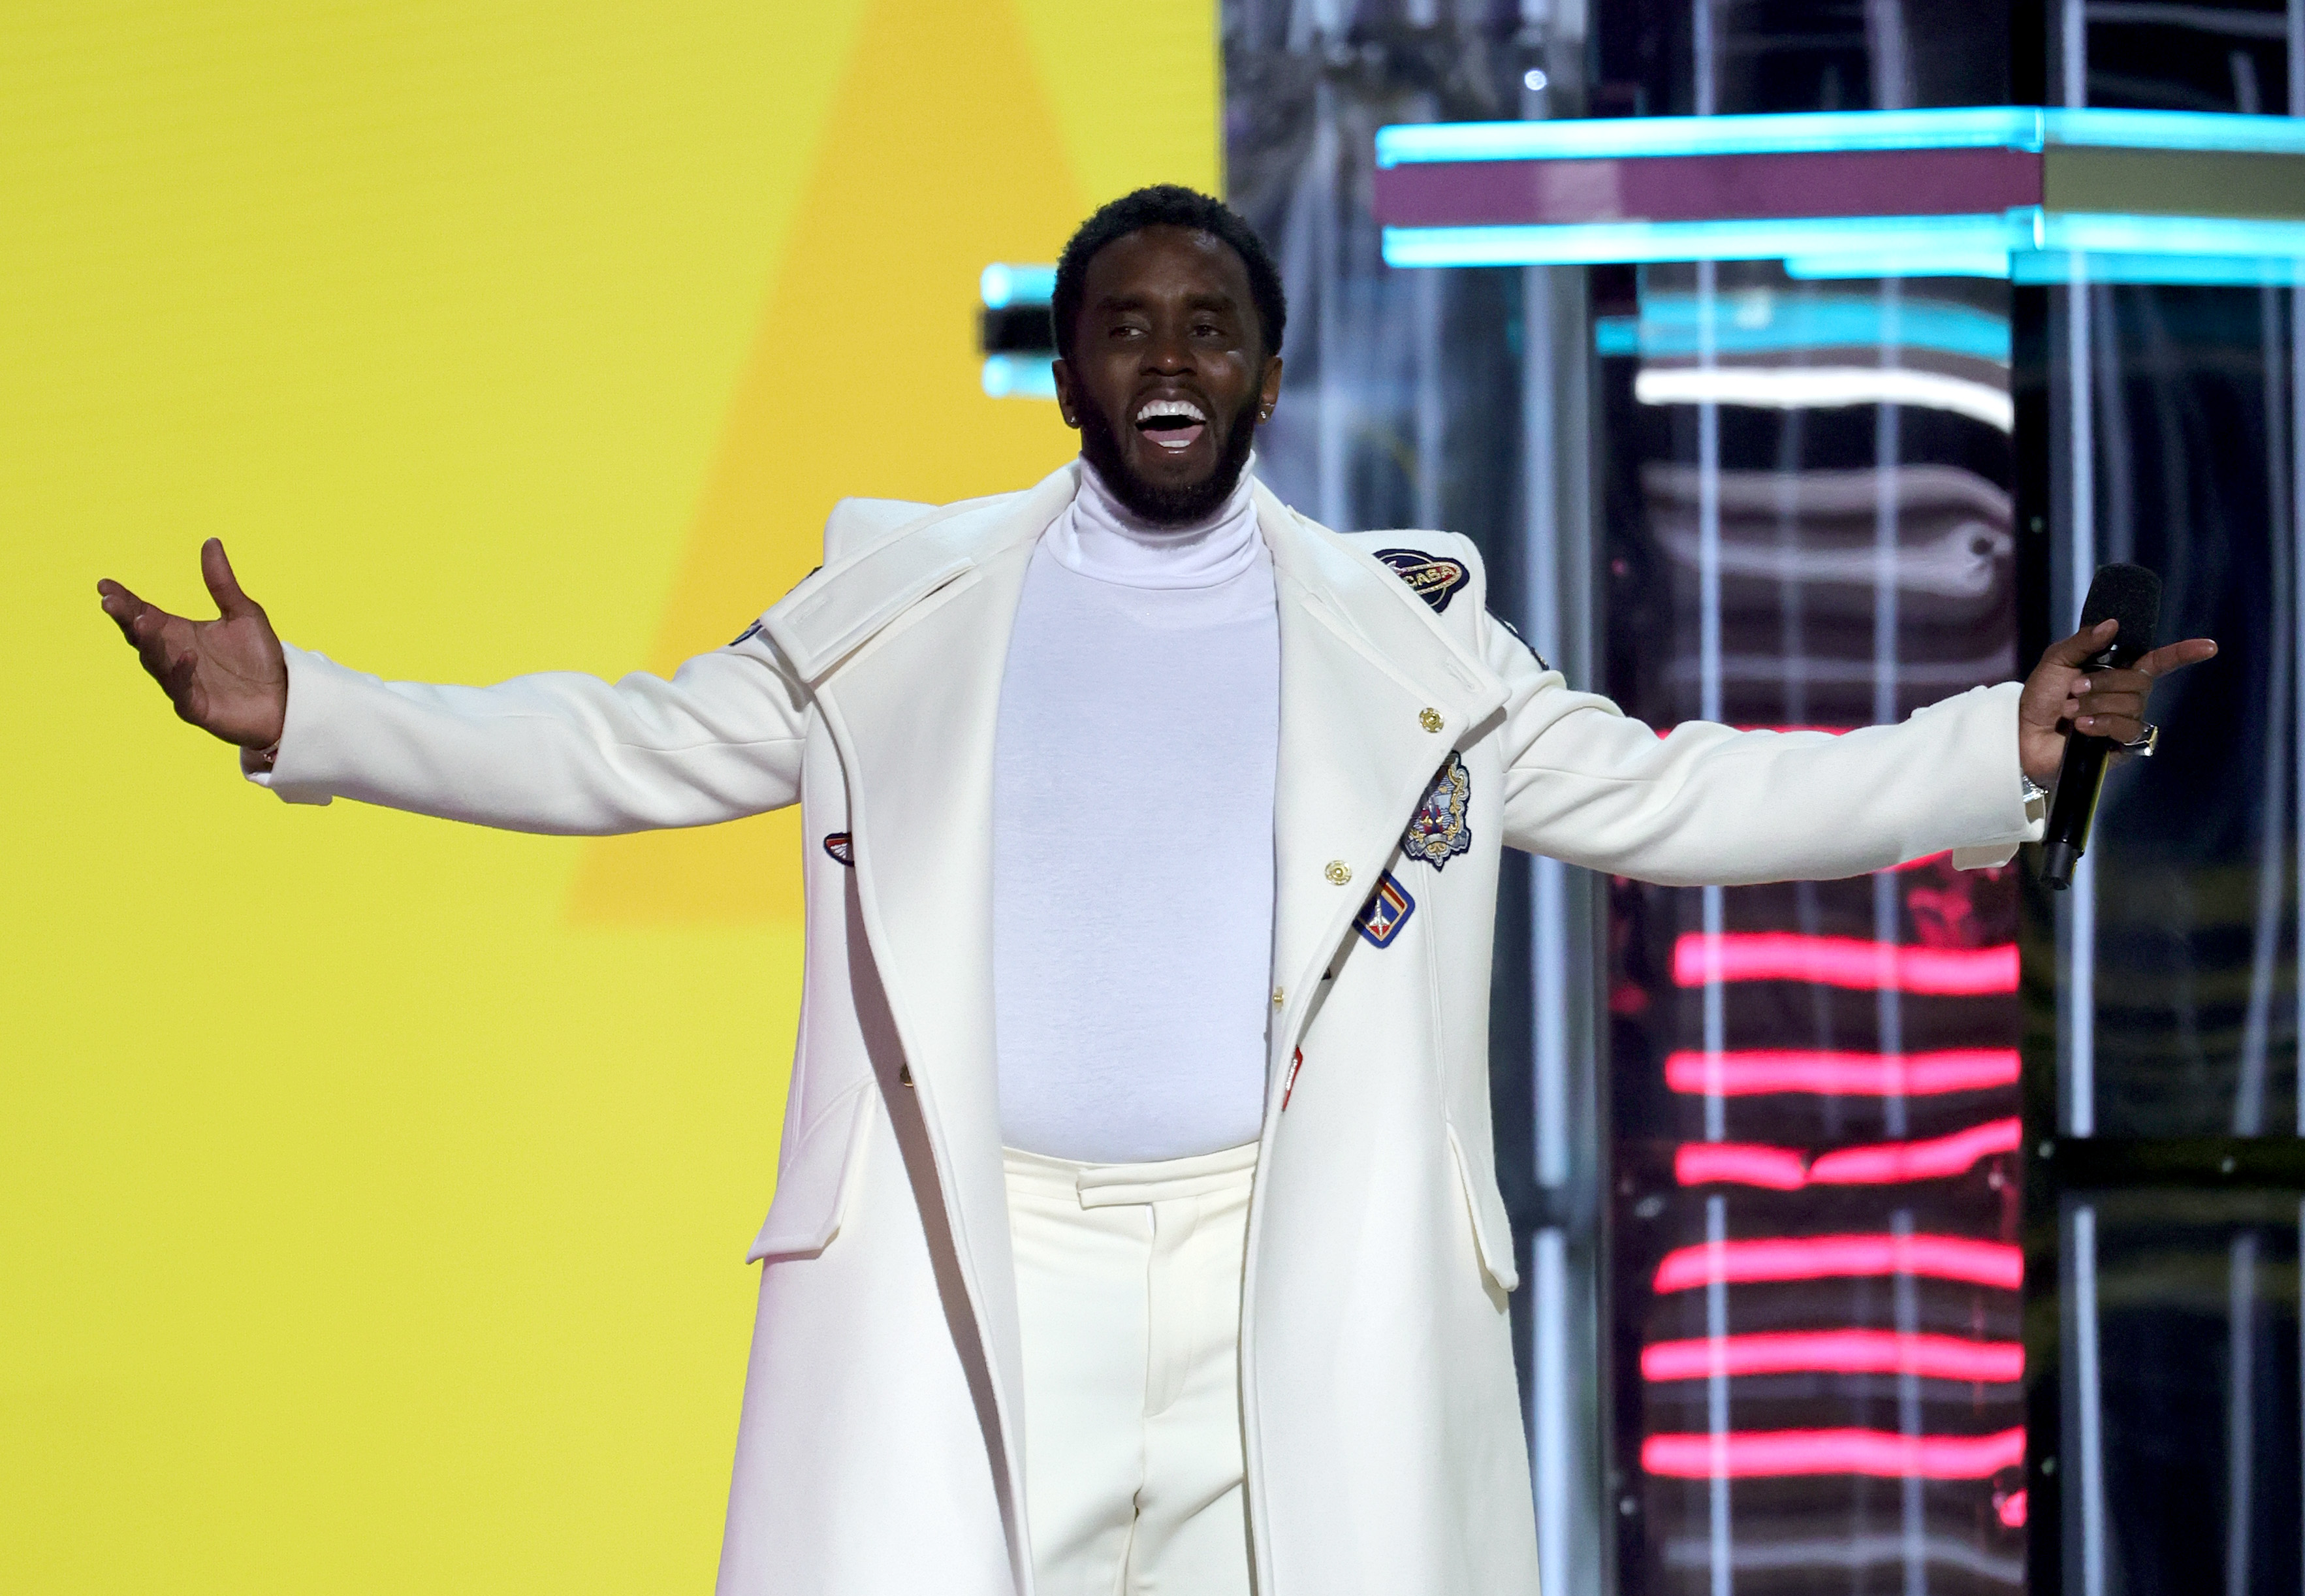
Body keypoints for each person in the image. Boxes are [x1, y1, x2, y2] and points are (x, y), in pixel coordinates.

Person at [98, 185, 2214, 1596]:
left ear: (1269, 375)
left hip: (1287, 1262)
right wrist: (318, 709)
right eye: (1126, 325)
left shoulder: (1414, 634)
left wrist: (1995, 746)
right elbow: (624, 747)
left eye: (1211, 325)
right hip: (973, 1261)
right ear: (1070, 372)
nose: (1169, 355)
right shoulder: (896, 607)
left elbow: (1670, 794)